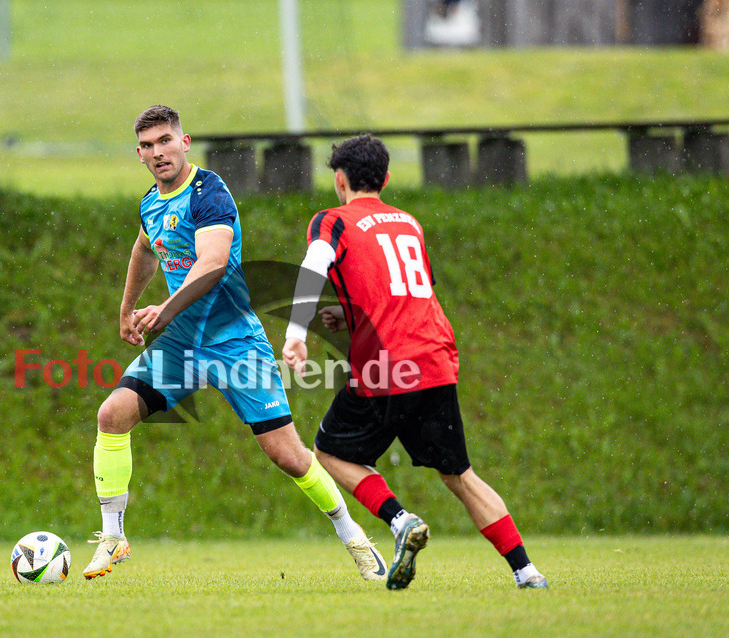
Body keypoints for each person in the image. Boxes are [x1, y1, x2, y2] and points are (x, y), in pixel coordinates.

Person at [82, 105, 386, 582]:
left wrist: (164, 309)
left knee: (287, 455)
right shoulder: (150, 203)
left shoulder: (210, 193)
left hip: (234, 344)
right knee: (111, 414)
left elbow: (214, 263)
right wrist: (127, 307)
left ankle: (355, 538)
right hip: (182, 345)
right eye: (147, 145)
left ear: (185, 143)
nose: (157, 152)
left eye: (166, 141)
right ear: (138, 154)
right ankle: (113, 537)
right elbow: (145, 248)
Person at [281, 134, 548, 590]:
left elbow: (315, 262)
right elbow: (405, 292)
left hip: (385, 367)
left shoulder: (333, 220)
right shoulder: (409, 223)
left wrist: (296, 333)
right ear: (384, 178)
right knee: (460, 475)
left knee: (329, 452)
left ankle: (399, 519)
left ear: (340, 180)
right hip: (435, 359)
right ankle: (528, 572)